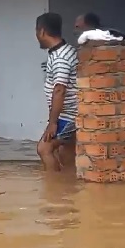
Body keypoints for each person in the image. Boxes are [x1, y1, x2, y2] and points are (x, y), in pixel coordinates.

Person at [35, 13, 78, 171]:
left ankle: (53, 188)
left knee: (44, 149)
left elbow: (59, 90)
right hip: (68, 115)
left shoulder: (61, 57)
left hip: (68, 117)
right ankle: (66, 188)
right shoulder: (62, 52)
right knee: (66, 155)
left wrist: (53, 123)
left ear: (42, 31)